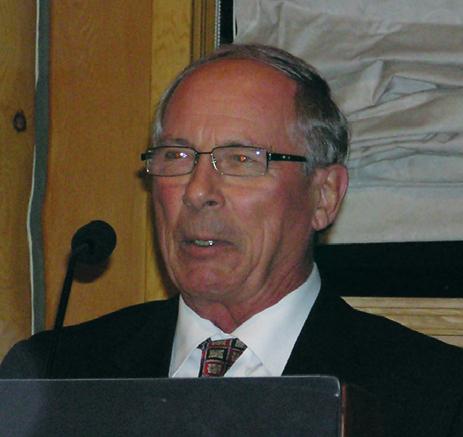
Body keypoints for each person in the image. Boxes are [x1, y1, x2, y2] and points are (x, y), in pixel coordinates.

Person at [1, 44, 462, 436]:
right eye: (176, 156)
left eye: (242, 159)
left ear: (324, 195)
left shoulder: (435, 397)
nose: (198, 191)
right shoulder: (53, 375)